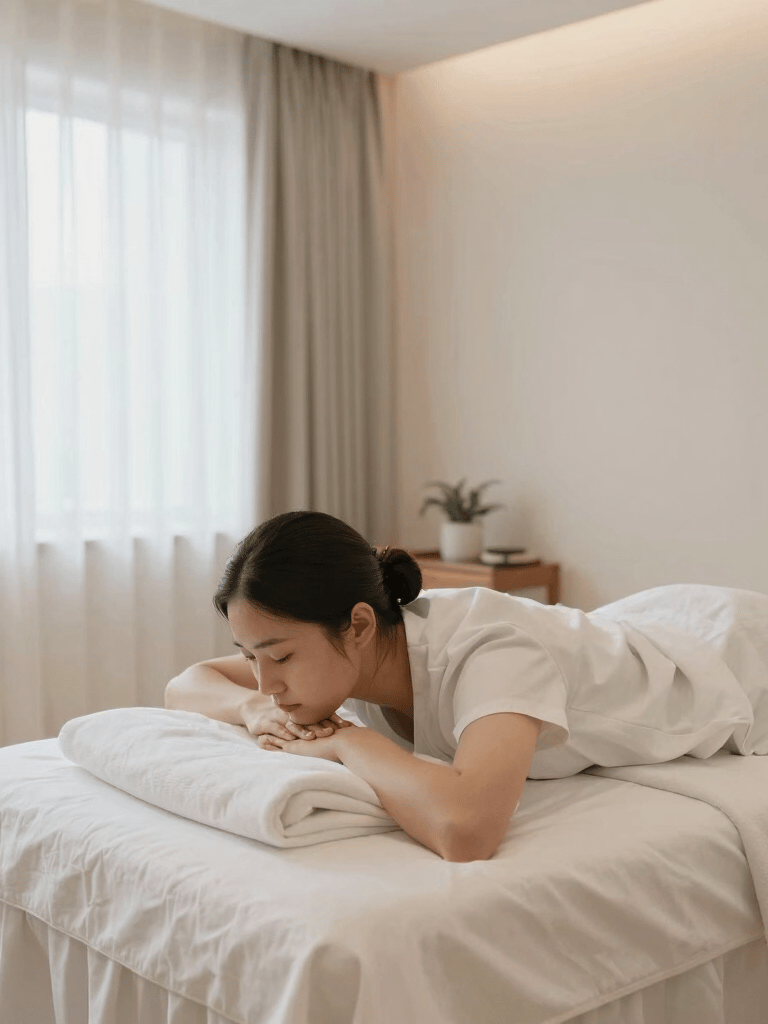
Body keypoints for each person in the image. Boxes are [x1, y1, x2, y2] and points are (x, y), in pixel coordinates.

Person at [165, 510, 768, 862]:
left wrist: (350, 743)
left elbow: (467, 829)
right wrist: (249, 710)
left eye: (279, 658)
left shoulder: (490, 650)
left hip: (736, 662)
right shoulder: (340, 657)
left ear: (357, 625)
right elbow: (187, 683)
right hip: (639, 627)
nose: (269, 683)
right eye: (252, 657)